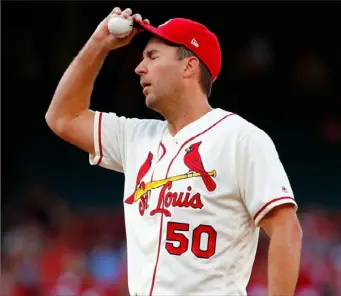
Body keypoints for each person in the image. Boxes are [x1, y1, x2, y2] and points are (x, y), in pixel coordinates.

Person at [45, 6, 303, 296]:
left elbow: (286, 229)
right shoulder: (136, 137)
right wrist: (98, 43)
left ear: (188, 67)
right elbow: (62, 118)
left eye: (152, 56)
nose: (139, 67)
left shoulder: (240, 139)